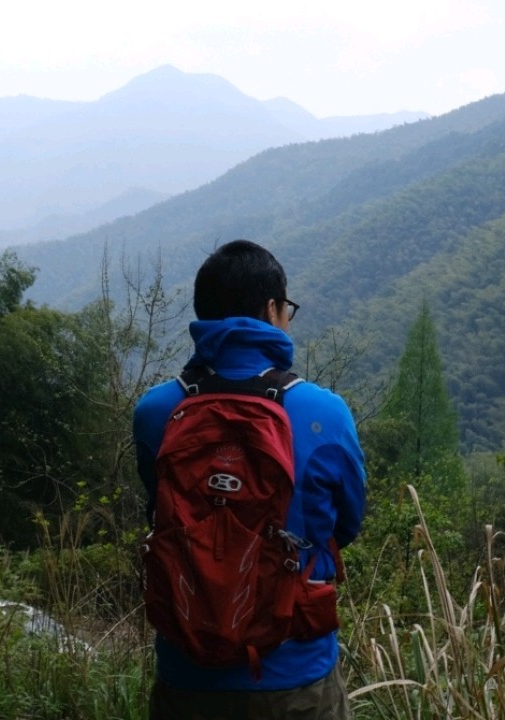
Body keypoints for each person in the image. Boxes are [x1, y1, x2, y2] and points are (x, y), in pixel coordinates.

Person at [133, 239, 367, 720]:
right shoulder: (325, 414)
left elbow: (161, 512)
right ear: (272, 310)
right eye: (288, 309)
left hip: (187, 676)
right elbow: (345, 526)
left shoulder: (156, 412)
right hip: (296, 678)